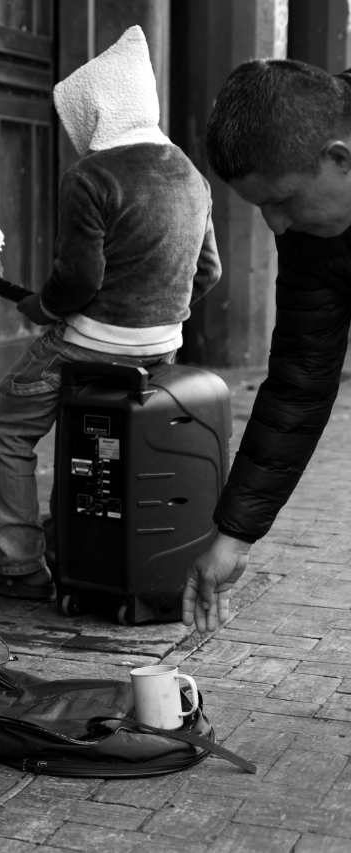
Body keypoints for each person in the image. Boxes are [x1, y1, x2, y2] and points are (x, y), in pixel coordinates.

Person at [0, 26, 221, 598]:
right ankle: (63, 544)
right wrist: (158, 317)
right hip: (161, 351)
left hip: (89, 345)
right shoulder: (189, 174)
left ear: (99, 110)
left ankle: (16, 564)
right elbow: (209, 273)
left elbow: (78, 280)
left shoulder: (91, 176)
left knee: (1, 424)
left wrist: (44, 306)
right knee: (92, 439)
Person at [184, 58, 351, 631]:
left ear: (339, 158)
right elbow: (300, 381)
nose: (277, 226)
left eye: (283, 201)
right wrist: (233, 536)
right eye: (262, 208)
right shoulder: (312, 235)